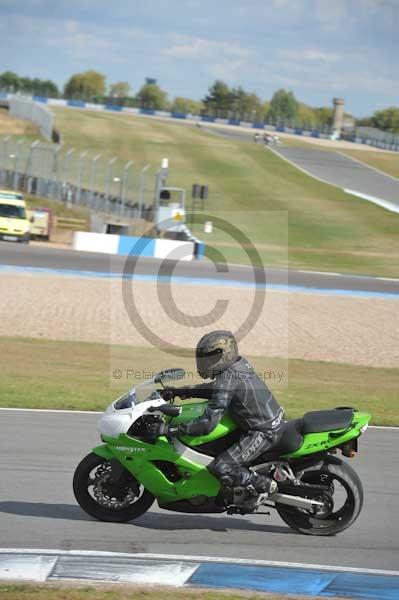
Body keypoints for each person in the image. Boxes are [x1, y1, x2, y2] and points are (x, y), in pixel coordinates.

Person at [151, 330, 284, 506]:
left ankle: (265, 484)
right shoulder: (237, 366)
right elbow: (217, 389)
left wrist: (169, 429)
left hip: (264, 431)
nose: (205, 363)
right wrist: (182, 391)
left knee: (222, 467)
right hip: (265, 422)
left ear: (224, 354)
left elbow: (207, 424)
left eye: (209, 359)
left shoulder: (229, 376)